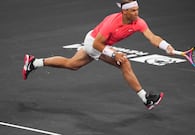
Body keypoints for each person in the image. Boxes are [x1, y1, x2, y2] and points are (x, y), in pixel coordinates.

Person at [22, 0, 175, 110]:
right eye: (133, 10)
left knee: (72, 64)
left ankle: (33, 63)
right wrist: (114, 55)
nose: (137, 13)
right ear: (125, 11)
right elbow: (96, 45)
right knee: (125, 62)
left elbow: (152, 37)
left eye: (137, 9)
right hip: (93, 42)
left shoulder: (139, 22)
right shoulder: (112, 22)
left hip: (100, 43)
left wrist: (166, 46)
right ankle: (145, 99)